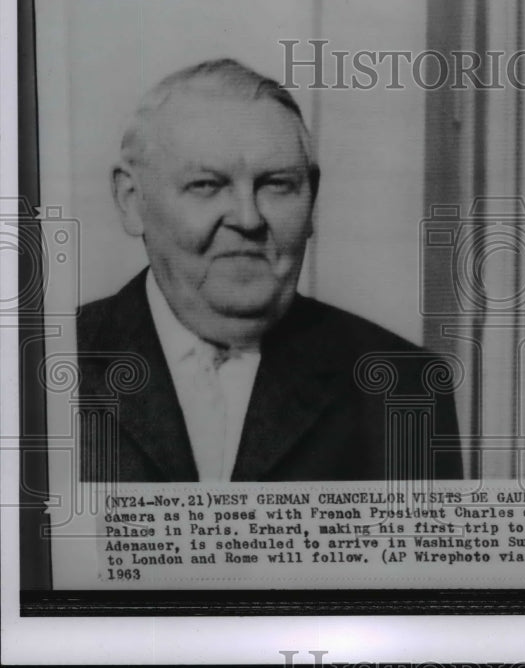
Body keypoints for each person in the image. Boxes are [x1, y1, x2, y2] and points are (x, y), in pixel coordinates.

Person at [76, 59, 463, 482]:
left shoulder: (402, 388)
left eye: (276, 184)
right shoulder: (45, 362)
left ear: (312, 200)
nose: (248, 218)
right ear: (131, 200)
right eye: (206, 184)